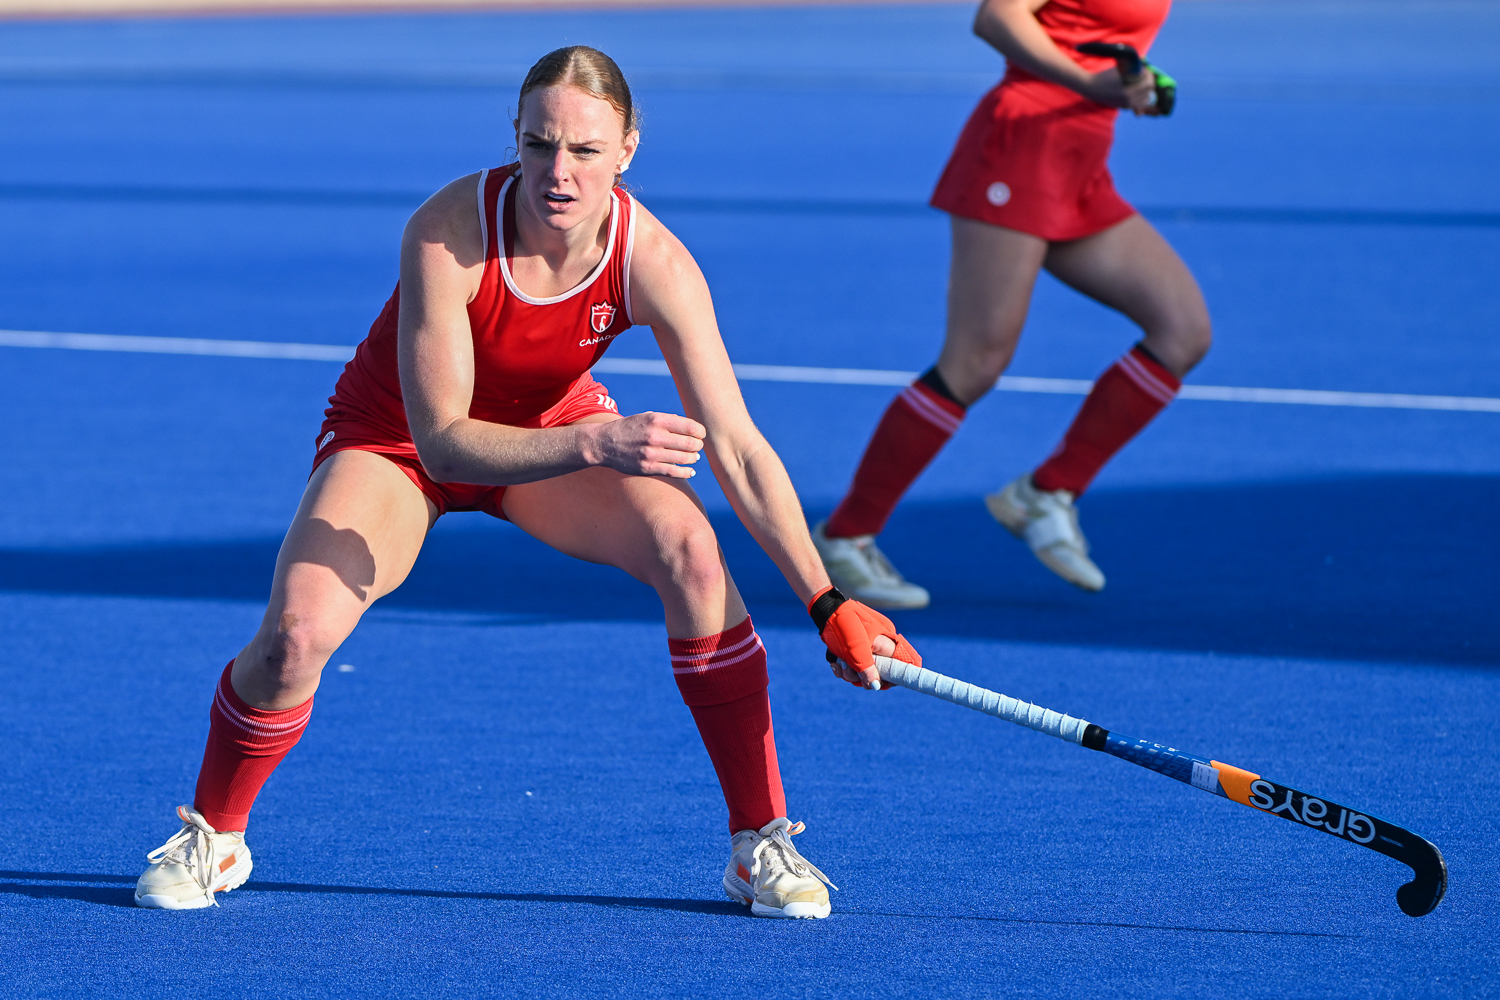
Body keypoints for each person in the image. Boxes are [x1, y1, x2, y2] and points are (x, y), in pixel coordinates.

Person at [133, 46, 919, 920]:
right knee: (293, 638)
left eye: (586, 150)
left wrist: (823, 599)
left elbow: (736, 446)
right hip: (398, 441)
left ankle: (758, 840)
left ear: (627, 150)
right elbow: (445, 445)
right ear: (515, 138)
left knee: (692, 551)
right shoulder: (448, 232)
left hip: (551, 434)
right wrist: (601, 442)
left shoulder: (653, 259)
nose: (559, 172)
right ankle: (216, 831)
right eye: (540, 145)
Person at [813, 0, 1211, 607]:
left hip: (1079, 163)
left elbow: (1091, 34)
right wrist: (1089, 83)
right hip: (1022, 148)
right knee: (975, 361)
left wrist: (1138, 85)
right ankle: (845, 537)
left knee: (1183, 330)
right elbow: (996, 16)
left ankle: (1045, 494)